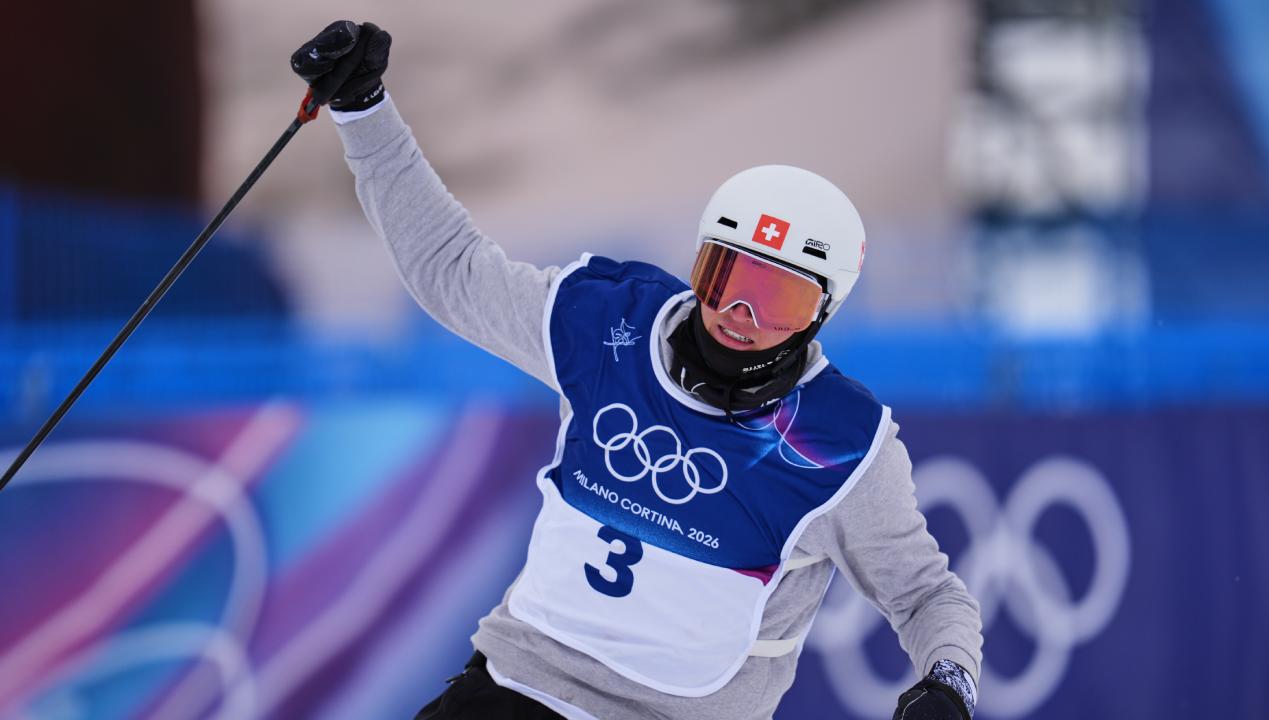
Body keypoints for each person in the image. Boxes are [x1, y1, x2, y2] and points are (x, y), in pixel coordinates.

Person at [291, 20, 982, 720]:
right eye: (725, 275)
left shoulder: (841, 446)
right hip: (519, 688)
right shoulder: (607, 327)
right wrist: (364, 109)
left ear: (822, 313)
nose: (739, 311)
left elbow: (925, 594)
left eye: (777, 298)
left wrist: (948, 682)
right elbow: (452, 272)